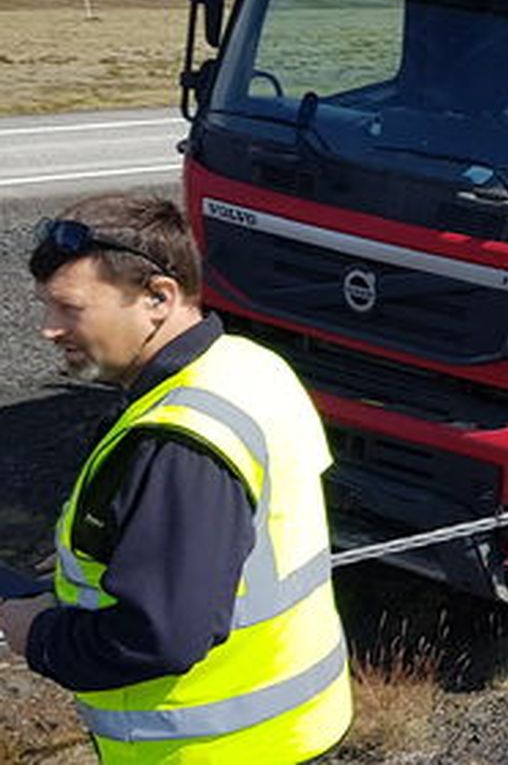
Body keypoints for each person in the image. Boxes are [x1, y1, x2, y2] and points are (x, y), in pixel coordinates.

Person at [0, 194, 351, 763]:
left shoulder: (179, 441)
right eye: (45, 307)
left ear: (158, 298)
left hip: (212, 750)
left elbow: (161, 636)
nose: (47, 330)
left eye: (69, 308)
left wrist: (37, 635)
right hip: (296, 728)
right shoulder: (249, 365)